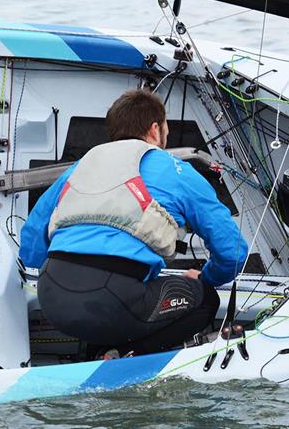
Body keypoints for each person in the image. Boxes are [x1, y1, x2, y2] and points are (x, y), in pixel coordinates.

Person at [20, 89, 248, 357]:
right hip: (114, 300)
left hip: (53, 296)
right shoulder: (175, 170)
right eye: (165, 129)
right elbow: (233, 253)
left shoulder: (80, 167)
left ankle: (101, 351)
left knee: (120, 302)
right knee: (204, 299)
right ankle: (123, 354)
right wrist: (206, 277)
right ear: (155, 129)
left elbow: (31, 250)